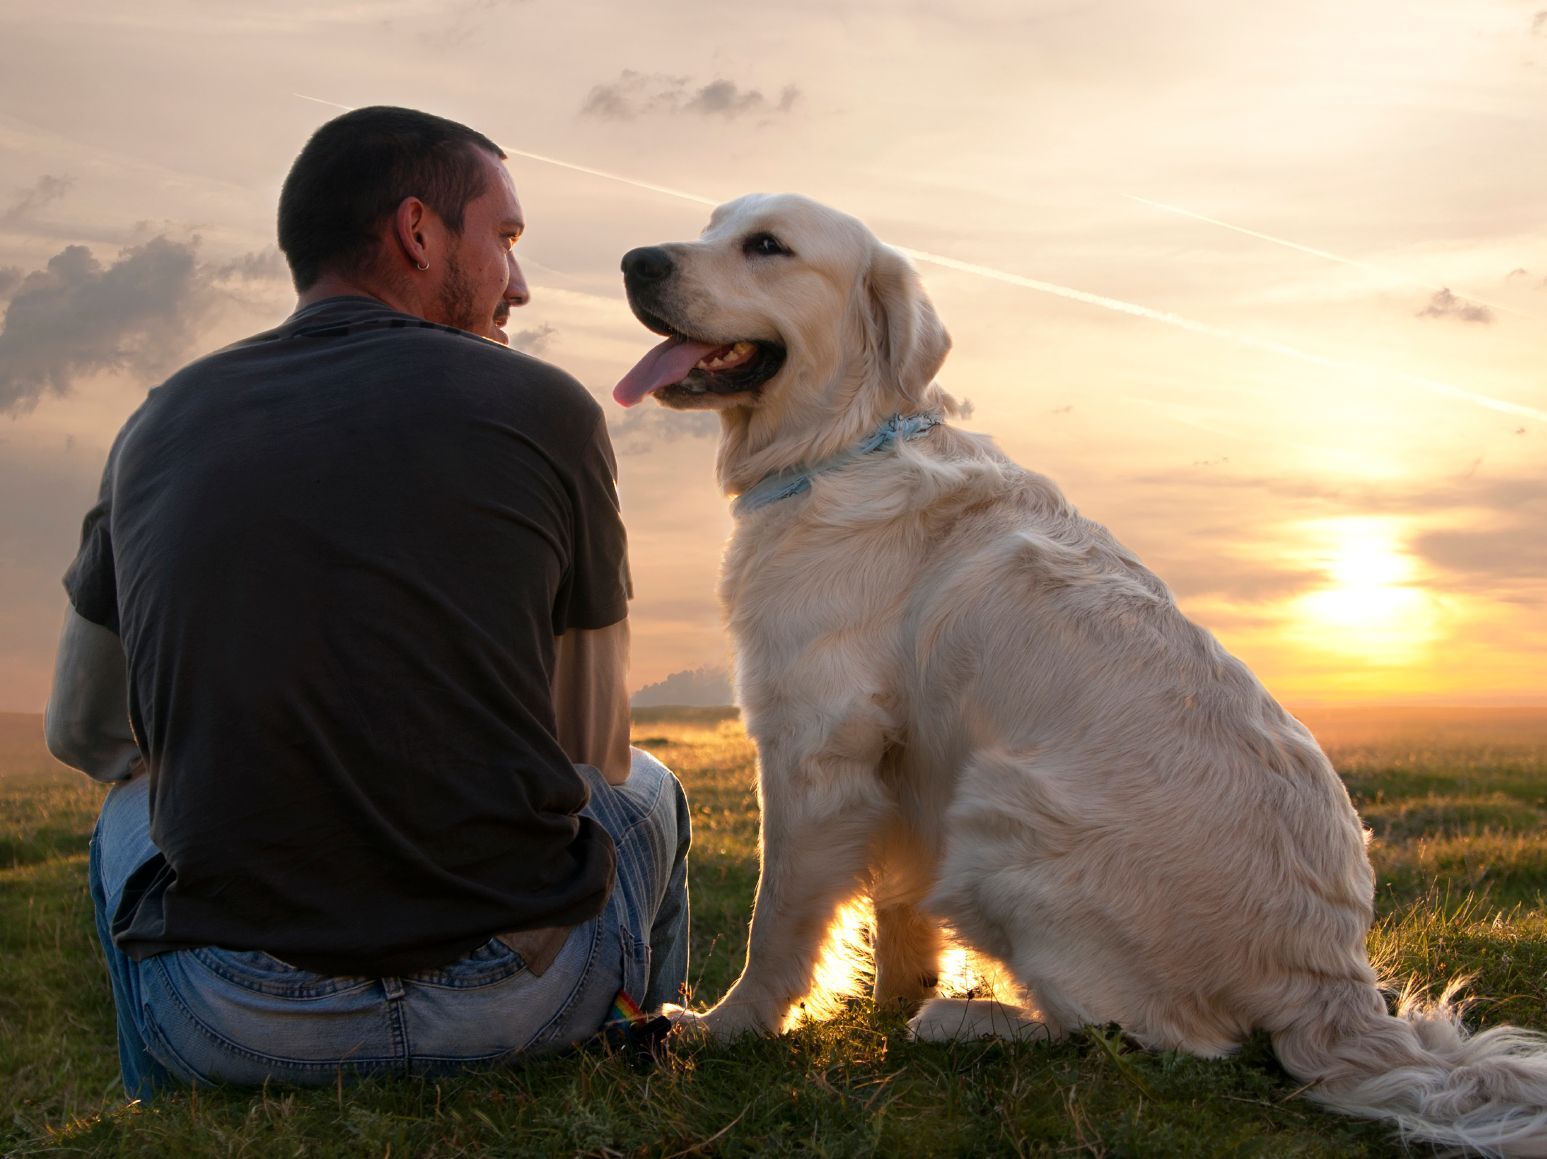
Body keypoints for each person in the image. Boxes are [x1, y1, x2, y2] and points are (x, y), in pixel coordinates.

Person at [43, 106, 690, 1101]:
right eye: (505, 239)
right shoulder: (548, 405)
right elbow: (590, 741)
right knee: (647, 787)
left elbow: (81, 730)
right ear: (419, 231)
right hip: (517, 1001)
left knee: (131, 806)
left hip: (237, 1022)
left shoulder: (157, 420)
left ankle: (163, 1103)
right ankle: (641, 1041)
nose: (518, 283)